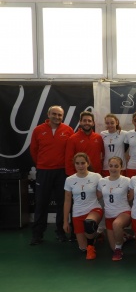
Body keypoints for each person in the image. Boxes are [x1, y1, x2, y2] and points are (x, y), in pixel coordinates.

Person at [29, 105, 74, 245]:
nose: (57, 117)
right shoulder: (38, 130)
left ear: (63, 116)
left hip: (62, 172)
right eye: (54, 114)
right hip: (44, 171)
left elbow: (71, 151)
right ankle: (37, 235)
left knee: (62, 204)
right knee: (41, 202)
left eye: (60, 115)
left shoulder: (68, 130)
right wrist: (43, 164)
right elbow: (34, 150)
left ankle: (61, 233)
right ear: (48, 114)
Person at [63, 153, 103, 260]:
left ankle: (91, 247)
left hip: (94, 209)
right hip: (78, 213)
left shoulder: (96, 177)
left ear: (88, 163)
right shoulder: (70, 180)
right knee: (82, 248)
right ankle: (96, 236)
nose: (80, 166)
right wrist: (65, 221)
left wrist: (92, 199)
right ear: (74, 165)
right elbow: (67, 201)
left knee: (89, 224)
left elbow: (101, 193)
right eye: (77, 163)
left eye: (83, 163)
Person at [96, 157, 131, 261]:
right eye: (111, 166)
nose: (113, 168)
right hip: (109, 216)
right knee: (112, 247)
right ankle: (124, 237)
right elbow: (97, 196)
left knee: (117, 225)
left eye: (116, 166)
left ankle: (119, 250)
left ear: (121, 167)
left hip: (124, 212)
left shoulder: (127, 180)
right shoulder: (102, 181)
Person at [65, 111, 105, 176]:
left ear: (93, 123)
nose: (87, 123)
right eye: (84, 120)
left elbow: (104, 155)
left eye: (89, 121)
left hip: (97, 175)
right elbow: (69, 159)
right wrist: (72, 175)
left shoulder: (99, 138)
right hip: (80, 175)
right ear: (80, 122)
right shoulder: (72, 139)